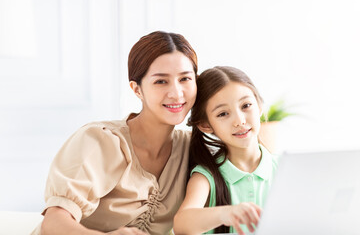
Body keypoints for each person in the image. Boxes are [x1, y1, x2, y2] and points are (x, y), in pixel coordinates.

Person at [31, 31, 198, 235]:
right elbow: (53, 223)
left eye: (185, 79)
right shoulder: (99, 141)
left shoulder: (192, 149)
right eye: (161, 81)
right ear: (137, 90)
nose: (176, 93)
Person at [173, 66, 279, 234]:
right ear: (206, 125)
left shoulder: (283, 168)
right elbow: (181, 224)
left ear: (259, 106)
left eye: (246, 105)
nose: (239, 120)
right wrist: (226, 213)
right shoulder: (206, 176)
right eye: (223, 114)